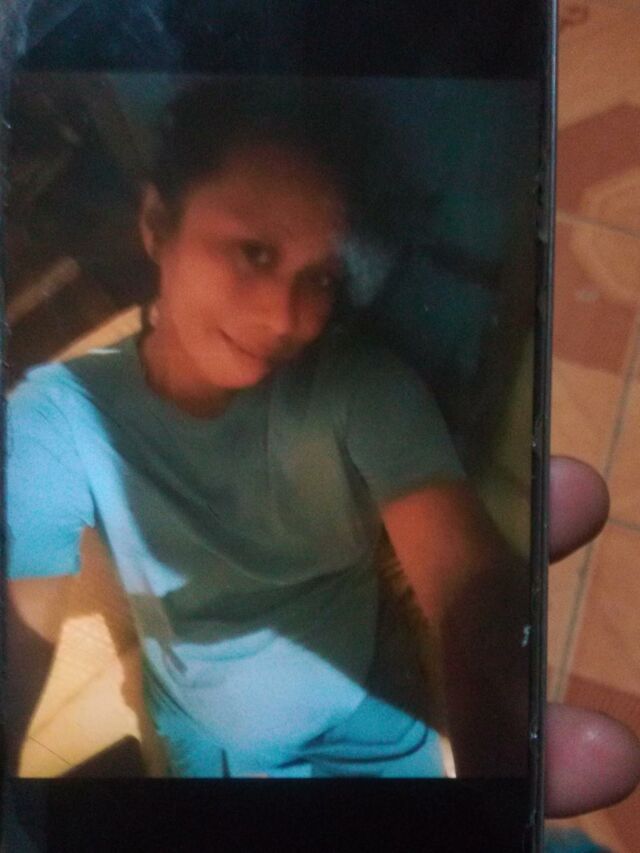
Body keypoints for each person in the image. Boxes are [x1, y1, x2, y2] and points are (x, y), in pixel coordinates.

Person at [5, 81, 640, 800]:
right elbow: (18, 627)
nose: (284, 317)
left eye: (322, 276)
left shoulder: (357, 388)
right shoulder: (63, 416)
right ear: (157, 223)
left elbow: (464, 581)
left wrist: (497, 693)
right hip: (217, 744)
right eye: (254, 253)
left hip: (374, 709)